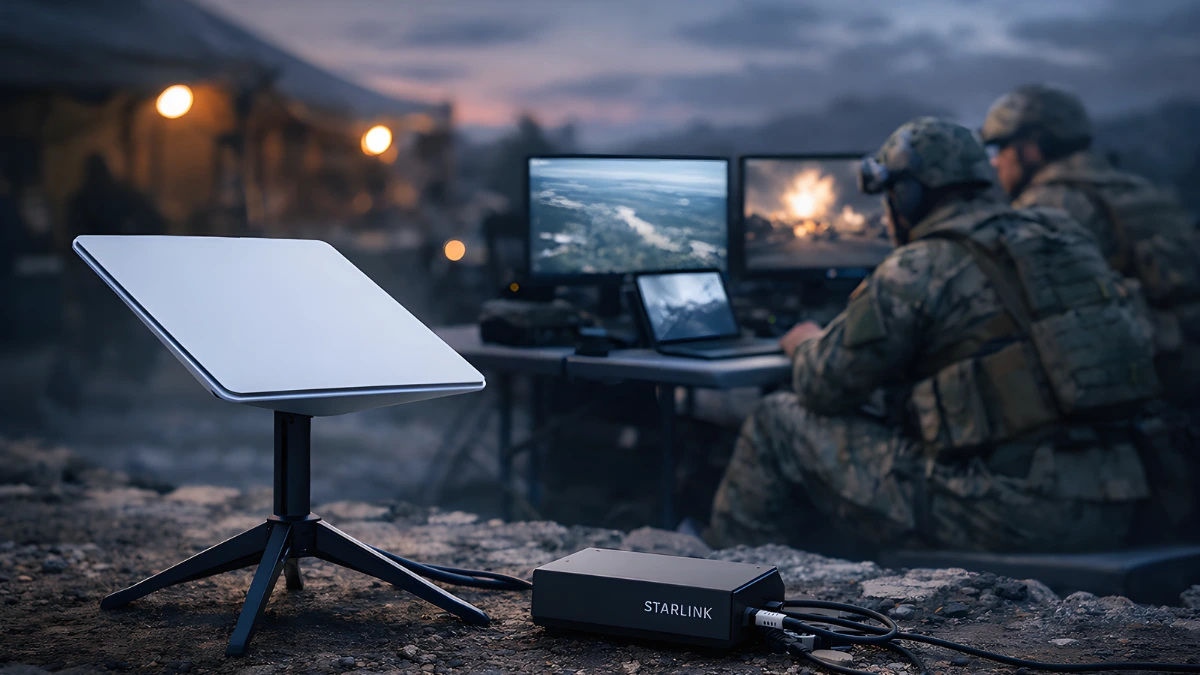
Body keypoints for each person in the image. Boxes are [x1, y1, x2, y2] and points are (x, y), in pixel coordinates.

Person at [707, 117, 1188, 554]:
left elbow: (822, 386)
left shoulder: (917, 267)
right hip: (1126, 494)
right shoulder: (1061, 233)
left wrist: (803, 343)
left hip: (1016, 512)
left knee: (777, 420)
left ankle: (726, 584)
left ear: (908, 196)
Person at [980, 84, 1200, 412]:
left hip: (1141, 384)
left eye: (1001, 149)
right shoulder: (1141, 189)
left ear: (1032, 148)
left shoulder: (1047, 206)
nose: (996, 163)